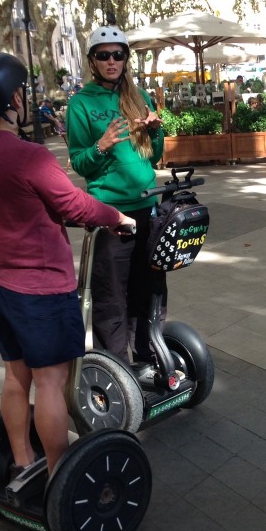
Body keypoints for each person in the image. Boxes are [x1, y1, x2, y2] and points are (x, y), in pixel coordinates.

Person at [0, 52, 135, 475]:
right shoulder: (28, 156)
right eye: (19, 91)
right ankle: (59, 473)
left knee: (17, 378)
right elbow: (73, 204)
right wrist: (118, 218)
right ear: (11, 100)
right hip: (41, 289)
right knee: (52, 383)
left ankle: (22, 459)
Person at [66, 26, 165, 368]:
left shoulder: (141, 98)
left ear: (126, 59)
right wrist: (100, 146)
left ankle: (148, 356)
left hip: (149, 207)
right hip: (111, 216)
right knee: (111, 297)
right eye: (103, 55)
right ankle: (118, 367)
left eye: (118, 54)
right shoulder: (80, 103)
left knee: (148, 289)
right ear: (93, 61)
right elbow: (80, 163)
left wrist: (156, 132)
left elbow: (152, 158)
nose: (112, 61)